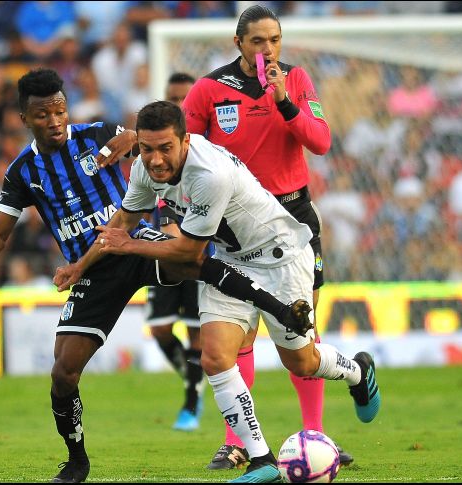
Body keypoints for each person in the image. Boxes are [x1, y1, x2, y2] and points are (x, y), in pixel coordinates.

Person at [0, 68, 312, 484]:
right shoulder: (23, 173)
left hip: (132, 240)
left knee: (193, 259)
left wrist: (127, 139)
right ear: (24, 118)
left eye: (59, 111)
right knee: (63, 372)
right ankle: (76, 461)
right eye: (42, 116)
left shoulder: (95, 135)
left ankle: (281, 309)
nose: (54, 122)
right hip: (93, 268)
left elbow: (141, 141)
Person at [96, 101, 381, 483]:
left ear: (185, 140)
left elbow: (187, 251)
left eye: (165, 148)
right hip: (231, 259)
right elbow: (125, 220)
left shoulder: (209, 173)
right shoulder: (145, 169)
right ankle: (262, 459)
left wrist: (128, 245)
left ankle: (357, 372)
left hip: (280, 256)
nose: (156, 159)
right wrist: (82, 264)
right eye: (147, 149)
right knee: (215, 357)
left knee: (301, 362)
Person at [181, 4, 356, 468]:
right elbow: (183, 155)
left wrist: (283, 100)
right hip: (233, 226)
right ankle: (237, 442)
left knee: (302, 333)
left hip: (293, 217)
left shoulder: (295, 81)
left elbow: (320, 141)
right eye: (257, 41)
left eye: (274, 40)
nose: (267, 50)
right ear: (238, 44)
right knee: (234, 338)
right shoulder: (208, 91)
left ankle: (314, 436)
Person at [145, 72, 205, 432]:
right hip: (164, 249)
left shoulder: (203, 145)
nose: (179, 103)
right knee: (161, 329)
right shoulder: (157, 143)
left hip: (200, 251)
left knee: (197, 332)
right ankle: (193, 379)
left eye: (185, 97)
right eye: (173, 97)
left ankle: (191, 402)